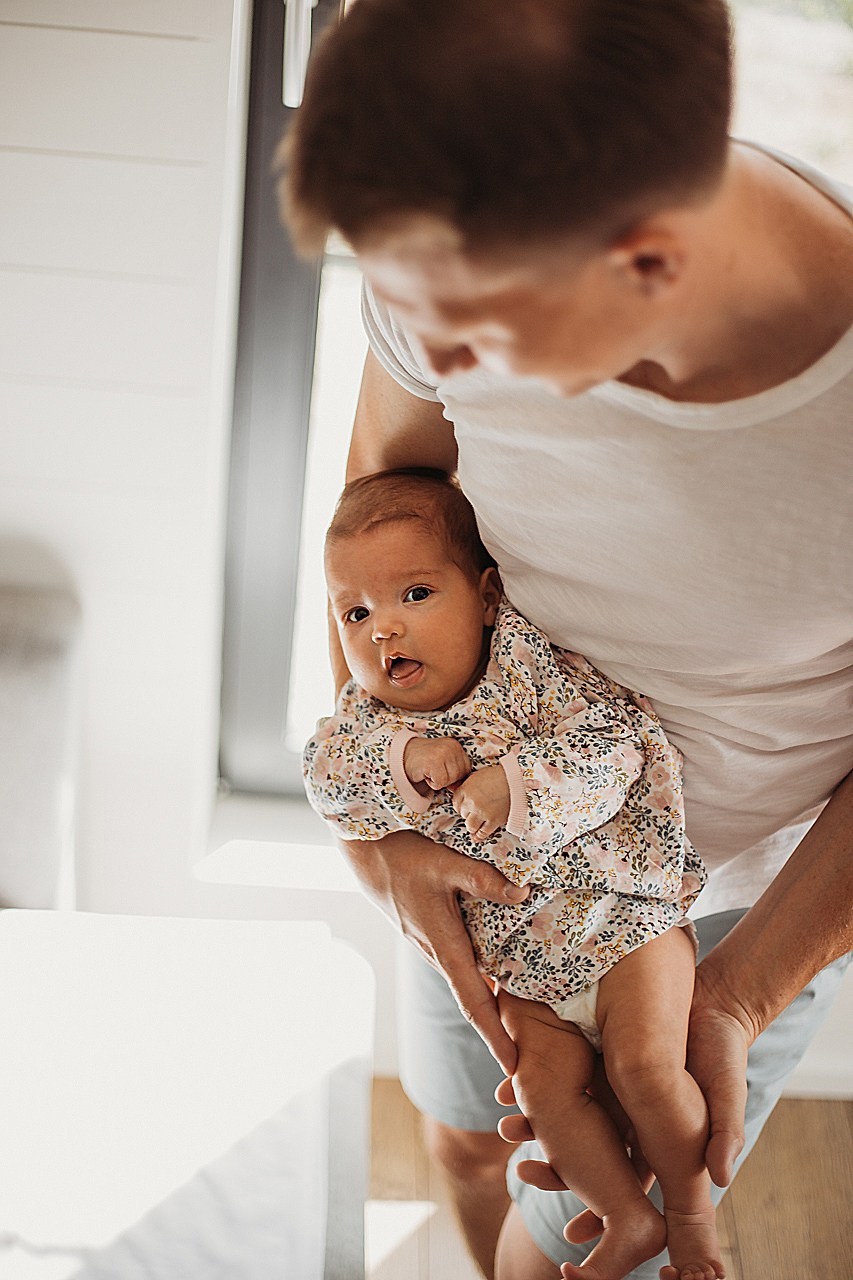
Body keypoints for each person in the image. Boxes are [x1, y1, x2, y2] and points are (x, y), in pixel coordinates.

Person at [282, 1, 853, 1277]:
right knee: (465, 1139)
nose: (429, 357)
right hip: (469, 862)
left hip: (722, 923)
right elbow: (380, 521)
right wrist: (390, 841)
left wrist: (739, 990)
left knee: (590, 1249)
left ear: (646, 264)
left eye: (469, 332)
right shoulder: (460, 242)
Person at [304, 467, 723, 1280]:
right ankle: (626, 1218)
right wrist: (401, 756)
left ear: (487, 596)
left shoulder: (526, 670)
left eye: (415, 595)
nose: (383, 630)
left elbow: (616, 745)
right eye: (356, 612)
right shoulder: (370, 724)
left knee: (644, 1071)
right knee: (545, 1098)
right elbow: (328, 781)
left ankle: (690, 1217)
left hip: (622, 926)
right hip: (527, 979)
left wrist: (517, 784)